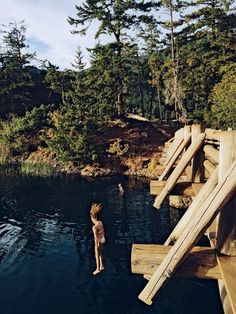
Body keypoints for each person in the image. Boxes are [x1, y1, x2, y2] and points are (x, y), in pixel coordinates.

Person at [90, 203, 105, 275]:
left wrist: (96, 247)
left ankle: (98, 269)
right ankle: (102, 265)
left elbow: (96, 239)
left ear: (92, 217)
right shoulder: (100, 222)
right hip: (103, 239)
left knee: (97, 254)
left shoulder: (94, 227)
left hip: (98, 241)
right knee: (100, 253)